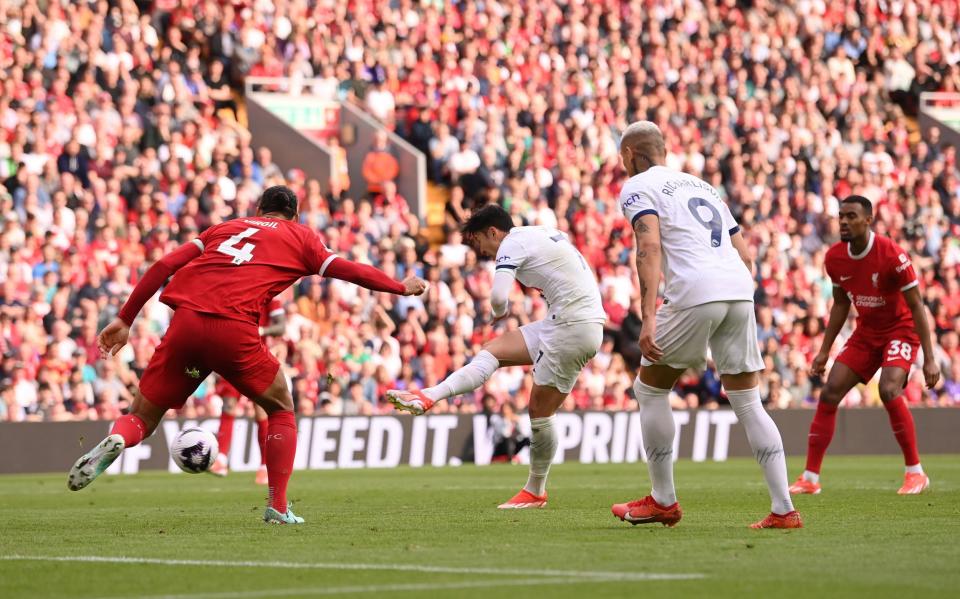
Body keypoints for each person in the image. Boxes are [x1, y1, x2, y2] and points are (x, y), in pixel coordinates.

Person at [67, 185, 427, 525]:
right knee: (281, 406)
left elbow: (163, 266)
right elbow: (349, 270)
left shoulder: (222, 229)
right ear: (295, 215)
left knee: (142, 417)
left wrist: (125, 318)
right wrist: (398, 287)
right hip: (233, 330)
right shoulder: (301, 238)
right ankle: (278, 506)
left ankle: (120, 438)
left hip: (186, 325)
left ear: (257, 210)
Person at [610, 121, 801, 530]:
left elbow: (648, 247)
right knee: (749, 402)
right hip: (738, 288)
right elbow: (744, 252)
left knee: (650, 388)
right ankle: (784, 508)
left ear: (629, 155)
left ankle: (663, 500)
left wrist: (648, 317)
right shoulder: (701, 186)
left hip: (697, 289)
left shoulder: (637, 186)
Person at [386, 204, 606, 509]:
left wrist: (497, 313)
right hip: (568, 321)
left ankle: (535, 490)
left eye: (479, 244)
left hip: (572, 326)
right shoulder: (539, 232)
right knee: (492, 352)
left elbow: (500, 296)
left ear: (492, 232)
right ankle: (429, 395)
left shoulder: (511, 243)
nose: (483, 253)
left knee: (540, 412)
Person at [789, 196, 940, 496]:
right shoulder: (834, 258)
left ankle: (916, 473)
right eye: (841, 216)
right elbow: (841, 305)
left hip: (900, 329)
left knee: (888, 389)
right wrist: (824, 350)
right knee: (830, 391)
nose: (844, 221)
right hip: (867, 332)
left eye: (851, 216)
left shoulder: (893, 256)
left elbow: (918, 306)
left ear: (868, 220)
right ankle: (810, 478)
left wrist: (930, 358)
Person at [209, 296, 286, 484]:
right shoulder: (236, 291)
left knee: (261, 410)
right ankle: (221, 460)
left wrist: (261, 330)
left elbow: (281, 327)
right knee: (228, 405)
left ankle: (264, 466)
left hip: (259, 356)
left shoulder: (271, 295)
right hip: (234, 354)